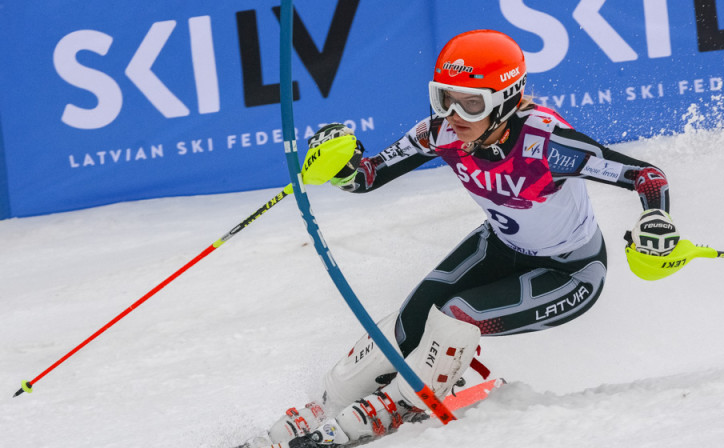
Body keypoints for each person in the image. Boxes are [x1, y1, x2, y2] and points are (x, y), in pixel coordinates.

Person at [246, 29, 675, 448]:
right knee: (412, 318)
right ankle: (331, 404)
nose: (454, 115)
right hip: (502, 246)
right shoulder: (441, 133)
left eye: (472, 105)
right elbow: (366, 177)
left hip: (571, 272)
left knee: (456, 315)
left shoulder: (545, 142)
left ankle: (402, 403)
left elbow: (646, 176)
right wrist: (338, 162)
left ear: (506, 102)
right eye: (445, 99)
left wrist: (656, 220)